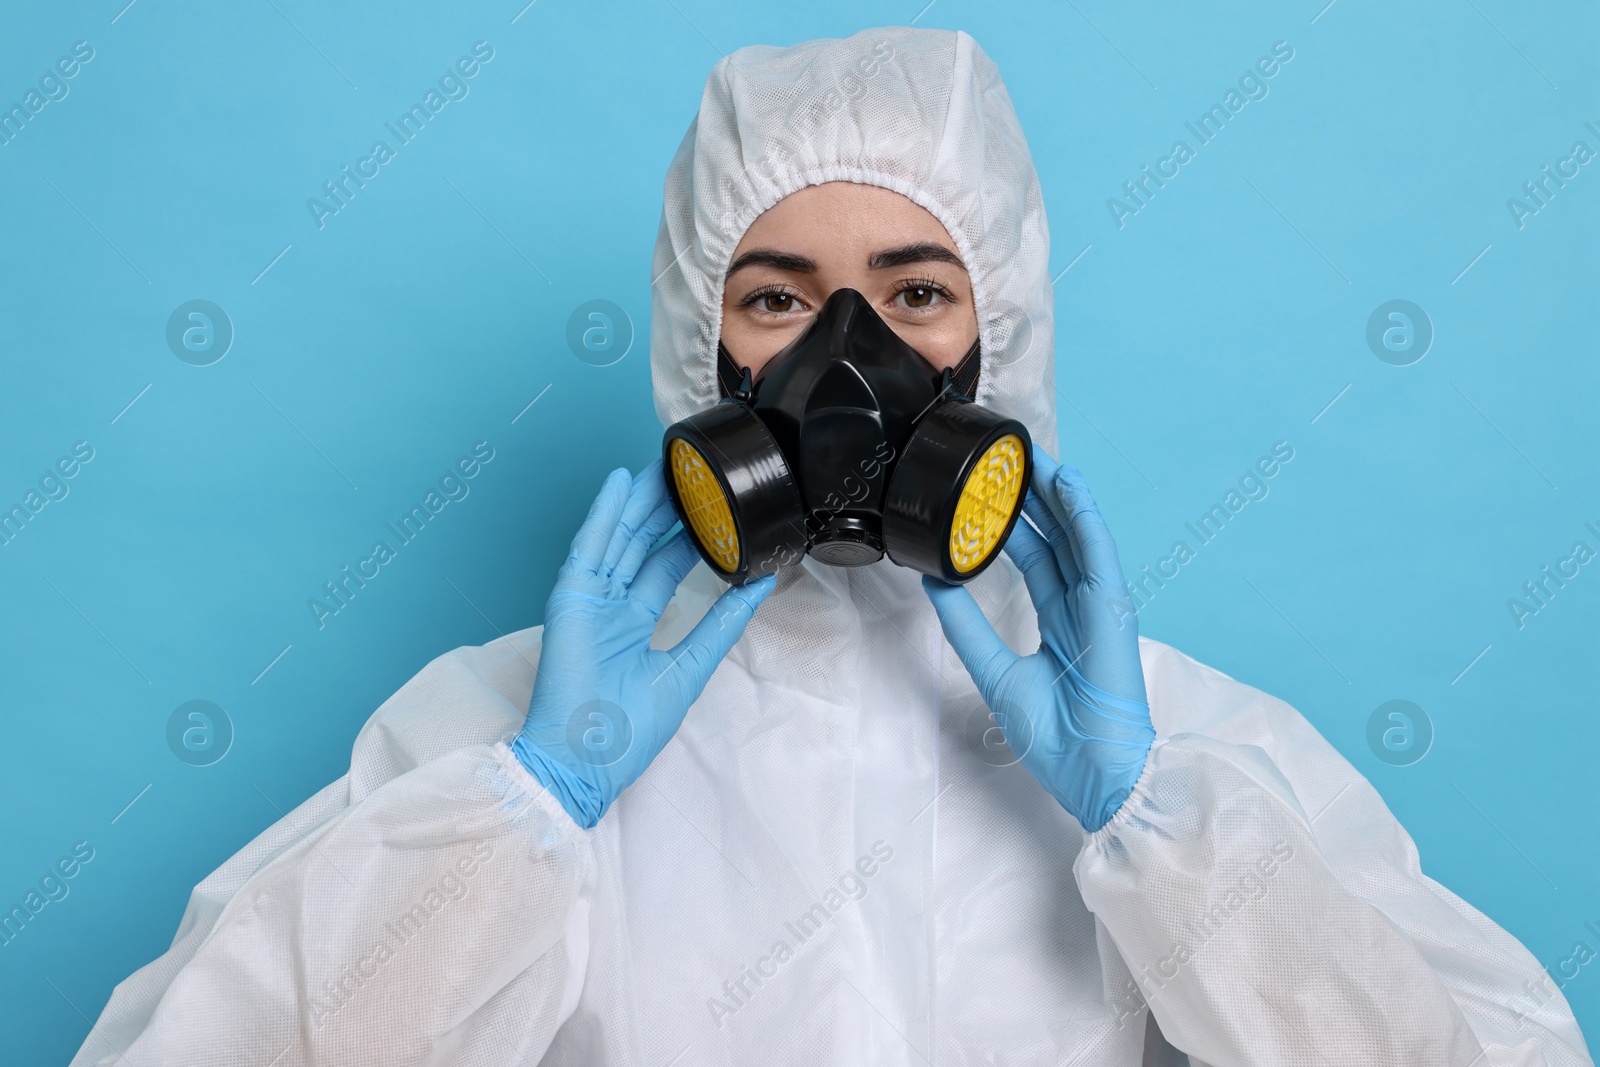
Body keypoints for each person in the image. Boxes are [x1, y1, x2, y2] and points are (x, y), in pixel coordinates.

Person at [73, 27, 1590, 1067]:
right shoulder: (508, 737)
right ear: (699, 344)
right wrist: (518, 821)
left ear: (1008, 334)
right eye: (780, 299)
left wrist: (1168, 837)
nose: (846, 363)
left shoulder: (1174, 749)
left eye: (919, 294)